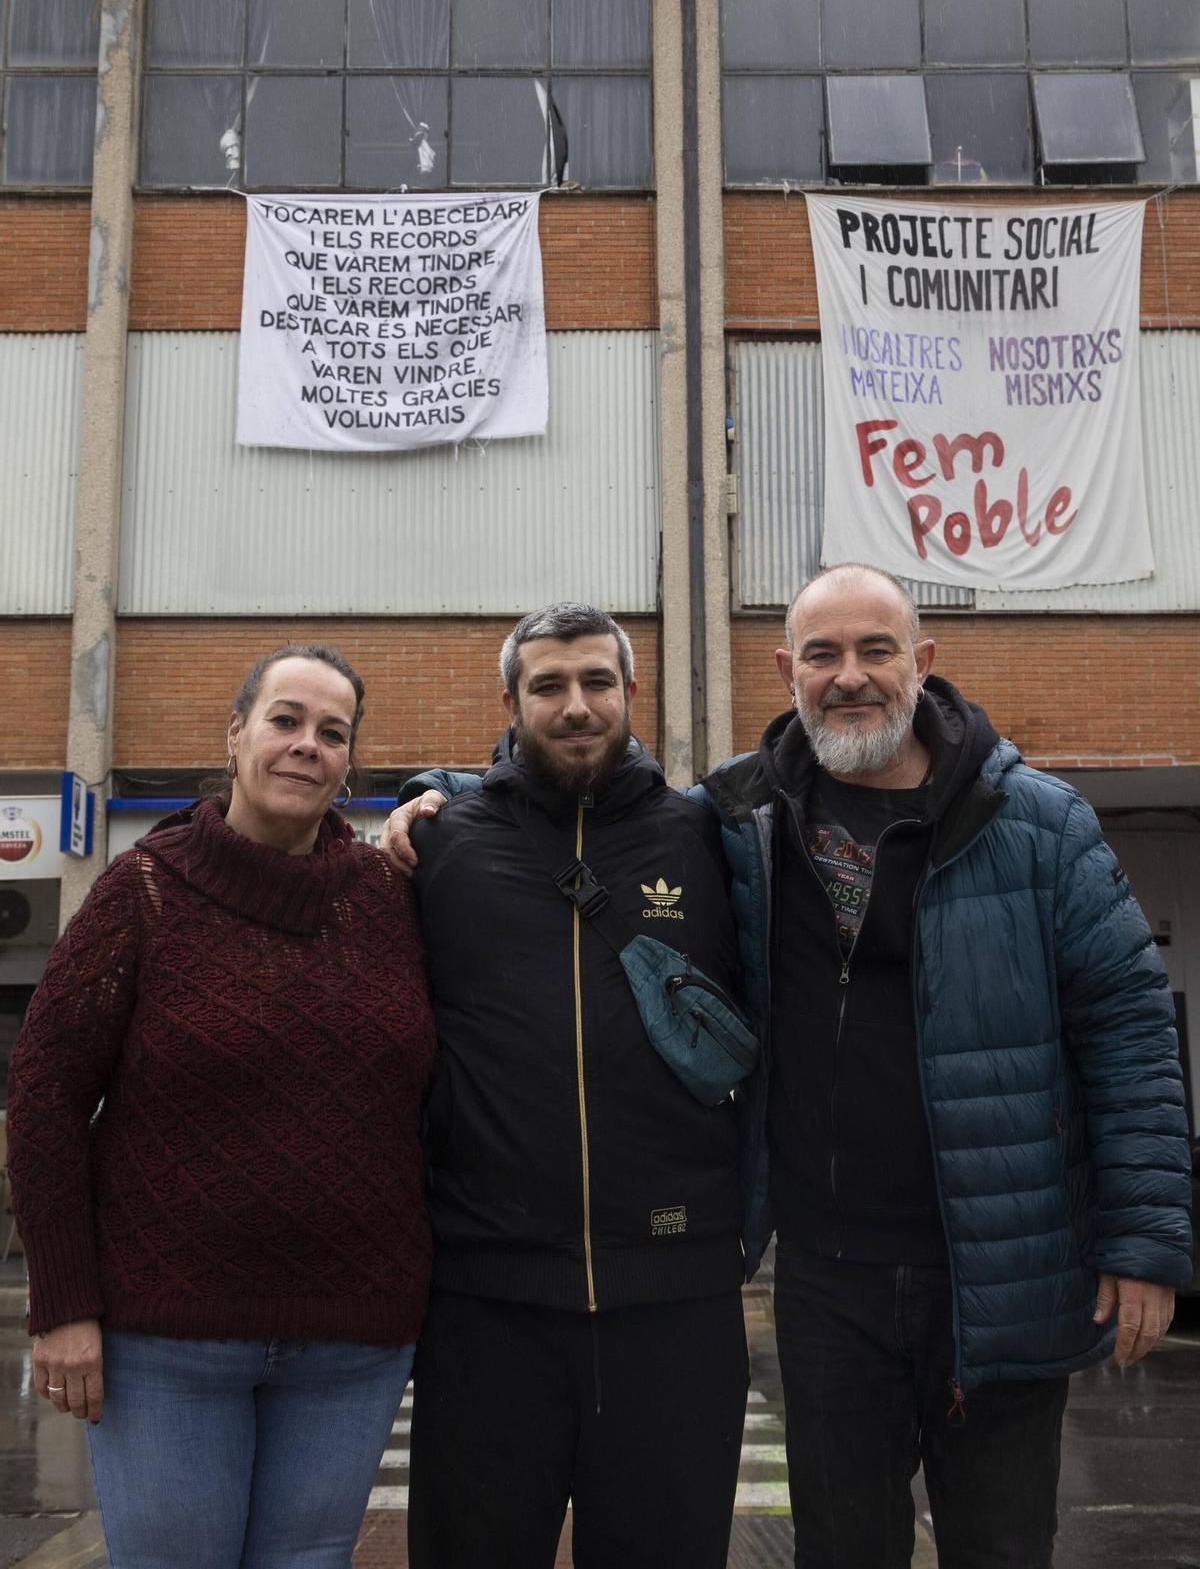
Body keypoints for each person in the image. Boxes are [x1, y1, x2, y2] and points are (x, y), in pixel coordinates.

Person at [696, 561, 1193, 1569]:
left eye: (876, 650)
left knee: (1002, 1545)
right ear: (786, 671)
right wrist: (439, 797)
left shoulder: (1038, 824)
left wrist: (1145, 1243)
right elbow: (591, 823)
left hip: (1002, 1270)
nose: (851, 676)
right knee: (843, 1547)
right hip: (826, 1279)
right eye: (824, 654)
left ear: (921, 663)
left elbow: (1130, 1031)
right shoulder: (740, 822)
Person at [7, 644, 435, 1569]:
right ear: (235, 733)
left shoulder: (390, 902)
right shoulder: (145, 892)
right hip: (165, 1340)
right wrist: (63, 1304)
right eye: (285, 720)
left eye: (333, 733)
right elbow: (43, 1097)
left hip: (352, 1338)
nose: (306, 746)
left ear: (350, 761)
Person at [392, 602, 749, 1569]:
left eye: (597, 682)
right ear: (510, 702)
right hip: (487, 1306)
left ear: (633, 694)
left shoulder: (707, 840)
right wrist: (426, 795)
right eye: (549, 685)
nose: (577, 705)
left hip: (676, 1300)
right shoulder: (443, 845)